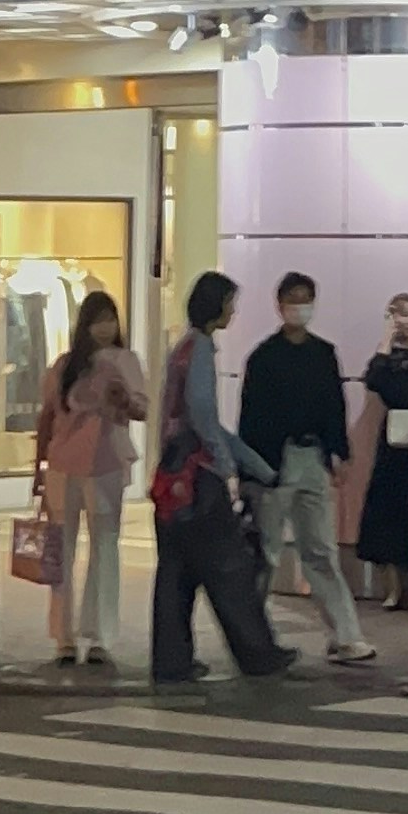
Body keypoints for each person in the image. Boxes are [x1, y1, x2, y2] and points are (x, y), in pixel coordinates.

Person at [150, 272, 298, 688]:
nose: (233, 310)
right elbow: (204, 416)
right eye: (230, 302)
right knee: (230, 569)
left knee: (176, 575)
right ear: (216, 304)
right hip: (200, 477)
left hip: (171, 477)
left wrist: (254, 464)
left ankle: (171, 661)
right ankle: (258, 654)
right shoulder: (199, 349)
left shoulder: (180, 347)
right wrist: (229, 464)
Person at [236, 273, 375, 666]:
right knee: (267, 552)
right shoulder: (263, 358)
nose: (300, 306)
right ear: (279, 304)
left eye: (306, 298)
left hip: (312, 457)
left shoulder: (323, 354)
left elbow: (334, 406)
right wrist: (253, 472)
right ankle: (253, 638)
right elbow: (251, 419)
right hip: (274, 463)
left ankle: (346, 635)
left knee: (321, 550)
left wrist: (340, 455)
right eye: (293, 299)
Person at [36, 287, 148, 665]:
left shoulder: (126, 360)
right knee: (61, 548)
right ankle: (64, 636)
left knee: (104, 545)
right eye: (97, 320)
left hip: (107, 462)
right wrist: (39, 467)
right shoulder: (65, 365)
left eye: (110, 319)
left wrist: (123, 399)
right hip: (64, 464)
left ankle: (99, 635)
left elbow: (142, 410)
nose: (104, 328)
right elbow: (48, 416)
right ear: (84, 325)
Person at [353, 293, 408, 609]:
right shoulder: (386, 359)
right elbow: (375, 380)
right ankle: (394, 588)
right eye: (400, 315)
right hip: (394, 443)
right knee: (388, 513)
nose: (407, 321)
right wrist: (386, 338)